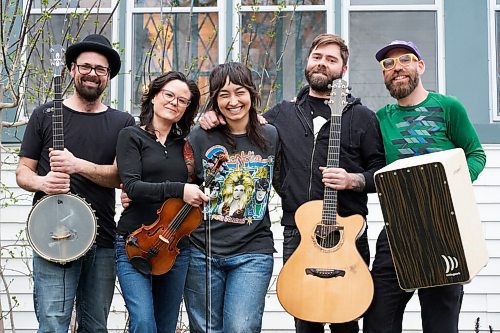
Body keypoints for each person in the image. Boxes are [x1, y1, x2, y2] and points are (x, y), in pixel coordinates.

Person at [200, 34, 386, 333]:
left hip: (347, 234)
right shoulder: (281, 114)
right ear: (307, 62)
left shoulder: (363, 118)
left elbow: (381, 173)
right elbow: (241, 124)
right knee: (305, 320)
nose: (322, 63)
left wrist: (354, 180)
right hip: (299, 232)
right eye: (317, 56)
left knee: (347, 320)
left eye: (331, 59)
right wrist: (212, 115)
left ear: (344, 69)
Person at [363, 40, 486, 333]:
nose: (397, 68)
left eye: (405, 60)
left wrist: (451, 187)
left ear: (421, 66)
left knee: (440, 325)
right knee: (378, 321)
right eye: (388, 64)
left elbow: (476, 154)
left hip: (445, 230)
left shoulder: (448, 107)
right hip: (397, 230)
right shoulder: (380, 119)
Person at [16, 34, 136, 332]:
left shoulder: (122, 123)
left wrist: (78, 165)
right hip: (53, 237)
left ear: (108, 77)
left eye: (101, 69)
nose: (92, 74)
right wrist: (44, 183)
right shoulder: (44, 115)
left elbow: (122, 177)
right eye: (86, 66)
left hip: (103, 237)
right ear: (71, 69)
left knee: (95, 325)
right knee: (54, 323)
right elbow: (22, 172)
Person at [183, 62, 279, 333]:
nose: (233, 101)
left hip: (253, 252)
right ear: (215, 99)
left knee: (240, 328)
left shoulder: (270, 135)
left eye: (239, 92)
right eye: (224, 94)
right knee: (205, 329)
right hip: (202, 251)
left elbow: (286, 179)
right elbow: (180, 183)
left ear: (251, 93)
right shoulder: (199, 136)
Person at [115, 71, 208, 333]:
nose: (174, 103)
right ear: (154, 96)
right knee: (144, 321)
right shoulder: (131, 136)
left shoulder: (188, 145)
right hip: (135, 240)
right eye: (169, 95)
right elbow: (132, 186)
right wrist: (180, 189)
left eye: (182, 100)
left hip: (176, 247)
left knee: (166, 326)